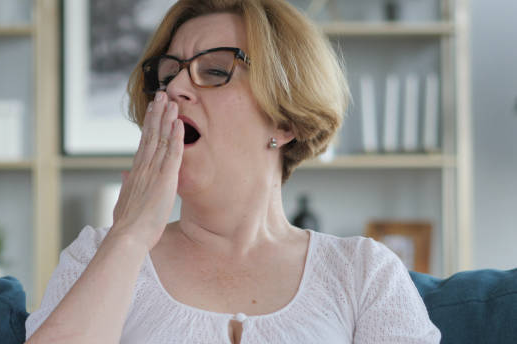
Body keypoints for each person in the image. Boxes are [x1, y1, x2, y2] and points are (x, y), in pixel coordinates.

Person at [25, 0, 441, 343]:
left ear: (284, 121)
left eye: (215, 70)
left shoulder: (364, 272)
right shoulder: (97, 257)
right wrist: (129, 236)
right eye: (166, 76)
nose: (173, 90)